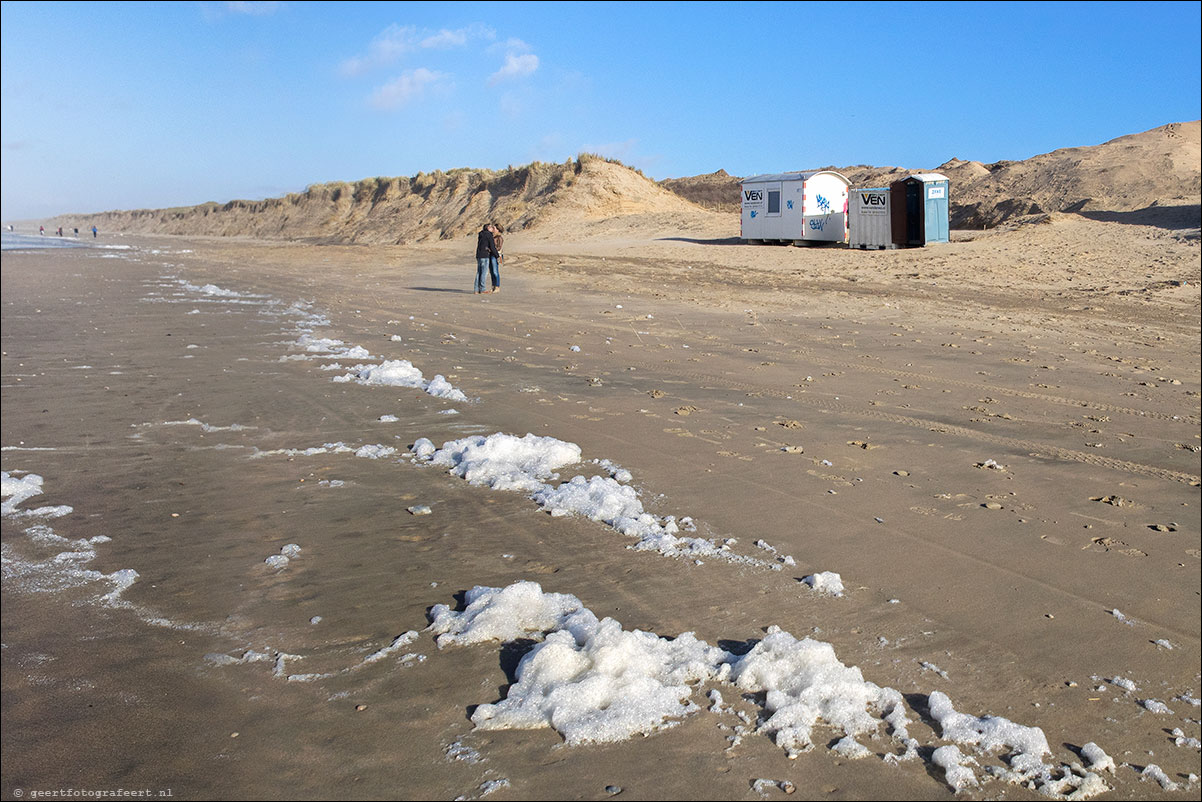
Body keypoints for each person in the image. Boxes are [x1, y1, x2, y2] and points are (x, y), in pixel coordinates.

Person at [474, 222, 499, 294]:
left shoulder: (481, 234)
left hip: (479, 255)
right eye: (491, 227)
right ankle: (482, 289)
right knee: (484, 273)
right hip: (485, 255)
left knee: (479, 272)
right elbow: (492, 247)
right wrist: (497, 255)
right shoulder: (488, 235)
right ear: (488, 228)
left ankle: (476, 289)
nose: (492, 229)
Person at [489, 224, 503, 293]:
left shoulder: (499, 238)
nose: (493, 229)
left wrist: (491, 249)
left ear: (498, 229)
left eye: (494, 228)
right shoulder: (492, 236)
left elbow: (499, 247)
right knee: (491, 271)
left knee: (495, 271)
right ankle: (493, 286)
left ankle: (497, 286)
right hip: (490, 254)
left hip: (495, 255)